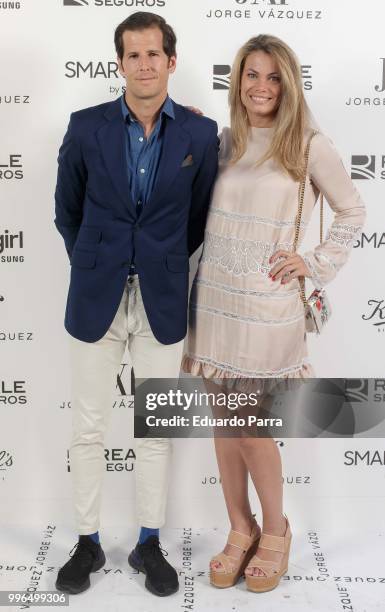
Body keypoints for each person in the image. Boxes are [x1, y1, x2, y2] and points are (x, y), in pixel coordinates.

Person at [182, 34, 365, 593]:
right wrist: (179, 125)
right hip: (214, 298)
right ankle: (241, 528)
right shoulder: (223, 141)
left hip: (266, 305)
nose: (261, 87)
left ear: (289, 82)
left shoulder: (308, 144)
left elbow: (352, 210)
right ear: (237, 80)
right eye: (251, 75)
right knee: (223, 423)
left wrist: (310, 262)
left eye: (273, 77)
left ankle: (277, 531)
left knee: (251, 425)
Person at [54, 11, 218, 597]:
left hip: (163, 301)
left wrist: (158, 263)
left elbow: (197, 220)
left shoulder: (200, 135)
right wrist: (96, 261)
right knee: (89, 426)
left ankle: (149, 541)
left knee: (155, 430)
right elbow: (66, 210)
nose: (144, 64)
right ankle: (88, 542)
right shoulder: (85, 126)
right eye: (133, 55)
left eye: (154, 54)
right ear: (119, 63)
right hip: (96, 297)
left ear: (171, 61)